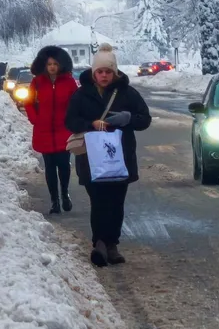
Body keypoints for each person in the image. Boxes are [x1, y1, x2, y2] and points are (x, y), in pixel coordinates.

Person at [65, 44, 151, 267]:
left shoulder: (127, 93)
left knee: (116, 202)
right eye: (100, 71)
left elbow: (145, 120)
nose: (104, 76)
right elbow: (70, 121)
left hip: (119, 158)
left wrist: (128, 119)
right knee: (99, 201)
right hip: (92, 159)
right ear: (94, 73)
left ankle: (112, 244)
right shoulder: (81, 94)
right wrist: (90, 124)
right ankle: (100, 243)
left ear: (115, 72)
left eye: (108, 71)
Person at [26, 46, 79, 215]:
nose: (52, 67)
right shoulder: (37, 82)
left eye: (55, 64)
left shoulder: (69, 82)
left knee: (64, 165)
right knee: (49, 166)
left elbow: (76, 103)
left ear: (61, 64)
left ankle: (65, 193)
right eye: (49, 64)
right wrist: (36, 118)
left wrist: (72, 121)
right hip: (44, 130)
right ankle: (54, 200)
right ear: (44, 65)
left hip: (63, 130)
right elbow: (28, 102)